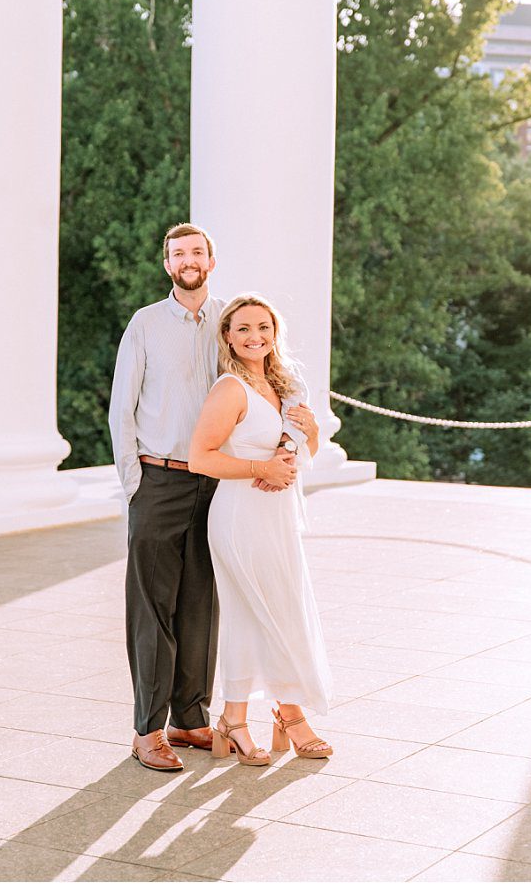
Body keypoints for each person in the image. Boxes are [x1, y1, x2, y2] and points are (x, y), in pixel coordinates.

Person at [108, 224, 316, 771]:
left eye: (197, 252)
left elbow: (280, 384)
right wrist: (135, 482)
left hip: (219, 484)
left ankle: (191, 719)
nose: (188, 260)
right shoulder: (146, 324)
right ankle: (148, 730)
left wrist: (288, 449)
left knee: (202, 604)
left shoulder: (233, 319)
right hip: (160, 477)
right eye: (178, 254)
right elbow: (120, 407)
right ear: (167, 264)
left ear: (212, 260)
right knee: (153, 606)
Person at [188, 293, 336, 764]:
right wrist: (260, 469)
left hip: (278, 516)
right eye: (244, 328)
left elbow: (298, 453)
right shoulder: (229, 389)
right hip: (239, 516)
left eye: (264, 328)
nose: (256, 336)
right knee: (262, 611)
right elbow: (200, 458)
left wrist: (310, 432)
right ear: (228, 337)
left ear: (275, 334)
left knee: (274, 611)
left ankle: (234, 719)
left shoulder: (282, 385)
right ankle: (290, 716)